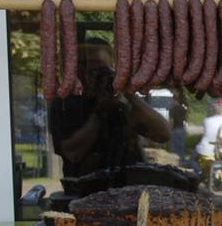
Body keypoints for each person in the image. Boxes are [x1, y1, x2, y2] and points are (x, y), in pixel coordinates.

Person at [48, 37, 171, 179]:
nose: (97, 75)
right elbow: (73, 153)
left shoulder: (121, 101)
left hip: (129, 185)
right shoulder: (65, 102)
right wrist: (100, 110)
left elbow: (163, 134)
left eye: (102, 68)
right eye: (90, 68)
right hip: (84, 188)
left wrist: (129, 93)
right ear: (78, 69)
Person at [195, 101, 222, 174]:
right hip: (217, 151)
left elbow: (203, 134)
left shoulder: (206, 120)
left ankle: (200, 172)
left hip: (203, 149)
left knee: (192, 160)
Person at [169, 89, 187, 161]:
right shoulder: (183, 108)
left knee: (174, 146)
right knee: (181, 146)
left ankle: (174, 161)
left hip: (175, 129)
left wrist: (169, 129)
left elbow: (171, 120)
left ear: (174, 100)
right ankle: (182, 161)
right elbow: (186, 119)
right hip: (182, 129)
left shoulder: (172, 109)